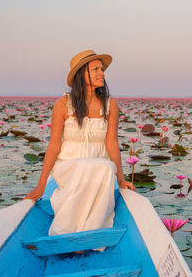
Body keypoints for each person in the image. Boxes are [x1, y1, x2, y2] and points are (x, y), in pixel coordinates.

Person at [24, 50, 136, 248]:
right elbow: (54, 145)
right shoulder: (62, 105)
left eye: (102, 69)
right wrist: (41, 185)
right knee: (96, 167)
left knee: (103, 167)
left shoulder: (111, 106)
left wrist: (120, 179)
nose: (102, 73)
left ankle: (86, 238)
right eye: (95, 69)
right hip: (68, 168)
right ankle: (66, 234)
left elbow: (111, 143)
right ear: (81, 75)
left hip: (99, 172)